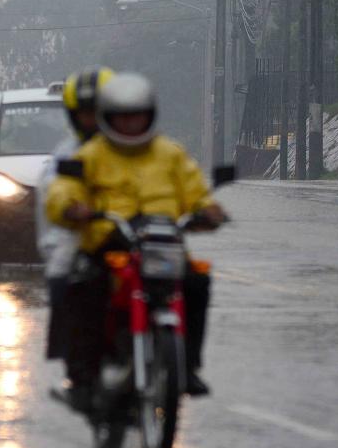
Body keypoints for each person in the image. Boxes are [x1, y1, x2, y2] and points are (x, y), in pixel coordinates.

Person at [45, 71, 228, 408]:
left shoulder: (170, 153)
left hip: (162, 244)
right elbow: (62, 191)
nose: (130, 124)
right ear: (108, 118)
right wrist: (73, 208)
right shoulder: (91, 154)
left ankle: (187, 367)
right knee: (82, 288)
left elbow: (195, 192)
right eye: (122, 117)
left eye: (137, 116)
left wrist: (209, 211)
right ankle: (81, 381)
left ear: (150, 114)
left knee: (197, 281)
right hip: (109, 243)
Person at [35, 66, 114, 377]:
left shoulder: (139, 145)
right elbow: (54, 191)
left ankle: (181, 358)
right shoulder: (66, 154)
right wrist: (71, 209)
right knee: (62, 276)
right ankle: (74, 362)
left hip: (133, 231)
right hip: (83, 234)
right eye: (85, 114)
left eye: (100, 112)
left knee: (188, 277)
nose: (93, 121)